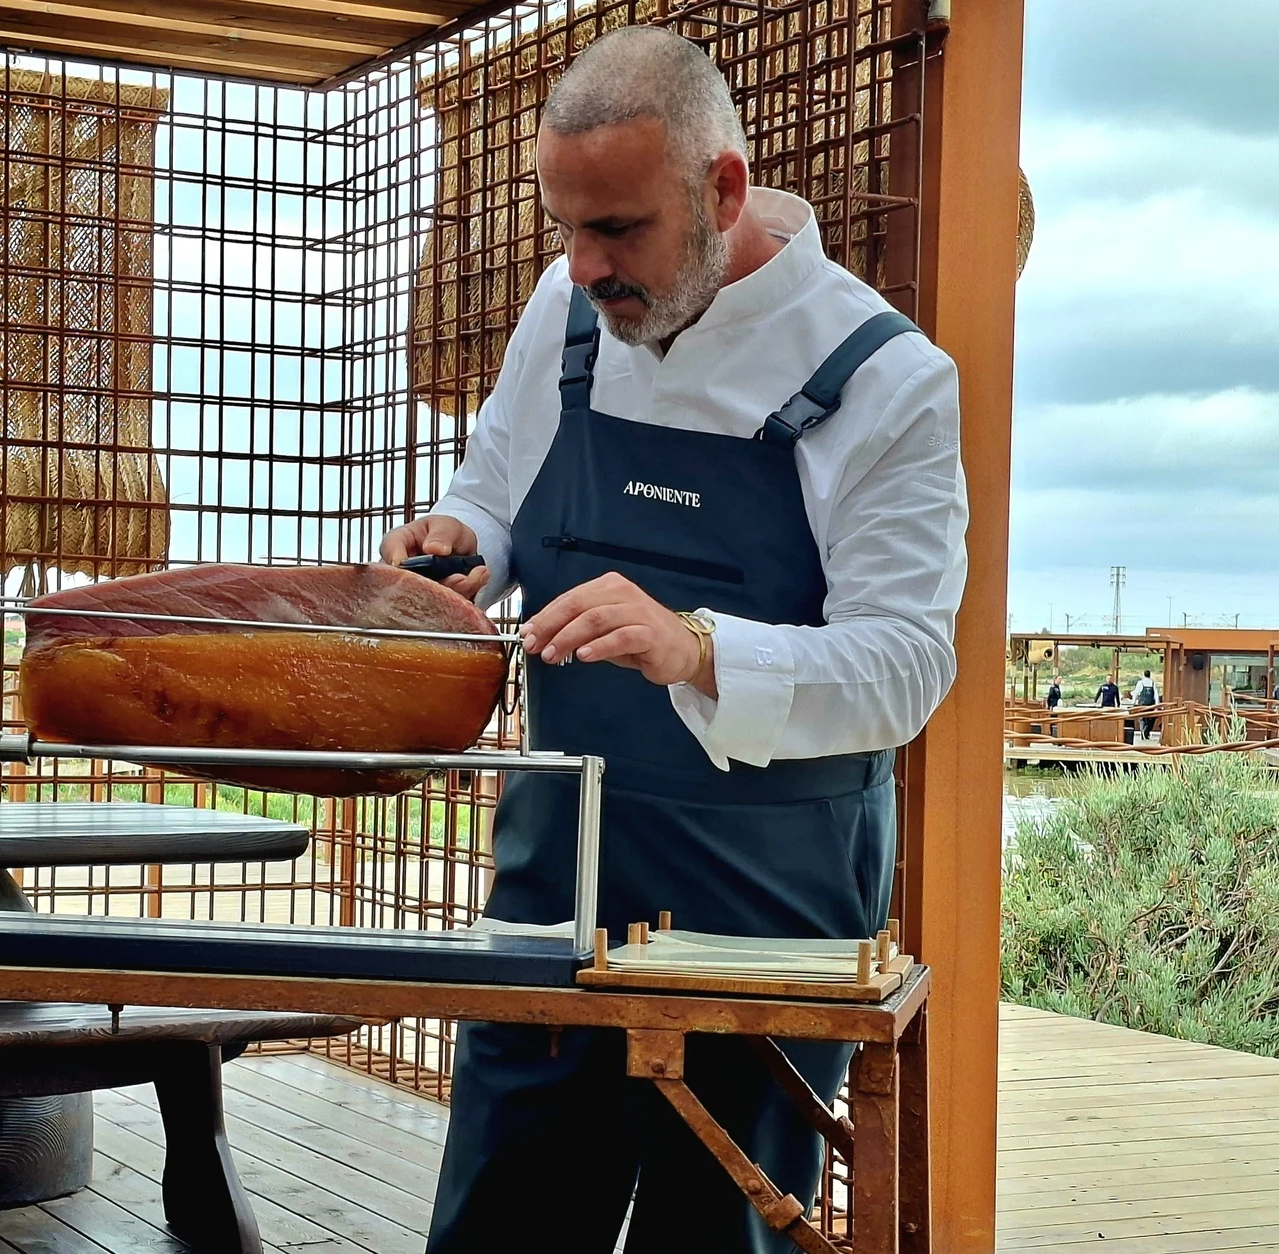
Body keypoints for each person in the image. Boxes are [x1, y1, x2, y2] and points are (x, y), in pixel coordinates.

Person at [378, 29, 967, 1254]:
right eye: (569, 228)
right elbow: (496, 482)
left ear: (724, 190)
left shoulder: (885, 379)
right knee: (502, 1218)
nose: (585, 267)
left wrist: (698, 647)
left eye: (622, 232)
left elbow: (908, 664)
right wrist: (466, 536)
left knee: (719, 1231)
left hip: (767, 911)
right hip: (560, 886)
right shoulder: (566, 303)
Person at [1131, 668, 1158, 741]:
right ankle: (1147, 731)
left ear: (1144, 675)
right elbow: (1156, 695)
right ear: (1150, 675)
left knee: (1142, 718)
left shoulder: (1140, 682)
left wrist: (1133, 702)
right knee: (1151, 718)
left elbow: (1136, 693)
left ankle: (1142, 730)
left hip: (1142, 703)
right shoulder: (1153, 683)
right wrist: (1157, 705)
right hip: (1151, 704)